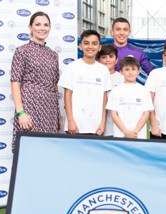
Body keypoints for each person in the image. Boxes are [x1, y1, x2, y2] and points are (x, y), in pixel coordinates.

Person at [10, 11, 60, 151]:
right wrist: (21, 112)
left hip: (49, 109)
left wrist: (57, 117)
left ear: (50, 28)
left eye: (46, 25)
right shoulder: (22, 51)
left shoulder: (53, 55)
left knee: (48, 151)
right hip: (30, 107)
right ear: (30, 27)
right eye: (38, 24)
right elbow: (15, 82)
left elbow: (54, 85)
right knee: (28, 150)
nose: (42, 28)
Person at [59, 30, 112, 135]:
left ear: (99, 47)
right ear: (80, 46)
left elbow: (104, 97)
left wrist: (103, 122)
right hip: (76, 126)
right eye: (86, 43)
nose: (90, 47)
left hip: (96, 127)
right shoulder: (72, 67)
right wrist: (70, 120)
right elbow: (67, 95)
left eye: (94, 43)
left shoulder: (103, 70)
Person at [107, 57, 153, 139]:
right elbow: (114, 114)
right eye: (127, 69)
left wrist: (136, 131)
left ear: (138, 71)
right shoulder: (115, 90)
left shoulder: (144, 91)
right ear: (121, 72)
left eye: (133, 69)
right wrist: (125, 132)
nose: (130, 72)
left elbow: (146, 114)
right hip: (120, 135)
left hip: (138, 135)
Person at [97, 44, 124, 137]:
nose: (108, 60)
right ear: (98, 60)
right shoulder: (94, 77)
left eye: (111, 57)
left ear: (116, 60)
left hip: (118, 126)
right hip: (97, 125)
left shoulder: (122, 78)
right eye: (104, 57)